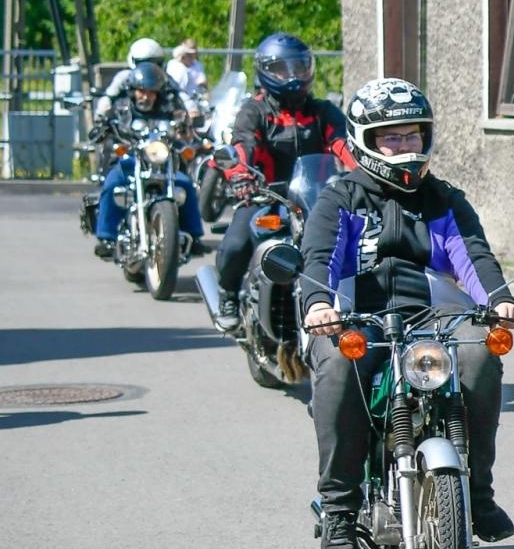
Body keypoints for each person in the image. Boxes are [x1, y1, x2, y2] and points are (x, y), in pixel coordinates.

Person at [297, 77, 514, 549]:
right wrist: (319, 305)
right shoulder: (340, 198)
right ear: (365, 139)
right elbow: (318, 259)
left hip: (434, 317)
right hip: (355, 317)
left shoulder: (444, 198)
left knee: (482, 354)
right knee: (339, 369)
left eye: (412, 135)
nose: (405, 146)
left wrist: (500, 300)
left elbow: (474, 256)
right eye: (391, 137)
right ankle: (340, 508)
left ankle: (478, 493)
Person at [214, 32, 355, 330]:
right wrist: (241, 175)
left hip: (317, 197)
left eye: (299, 67)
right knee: (235, 245)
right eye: (282, 69)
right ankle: (228, 295)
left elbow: (345, 144)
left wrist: (365, 173)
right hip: (266, 195)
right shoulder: (255, 111)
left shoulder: (322, 111)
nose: (293, 76)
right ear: (265, 71)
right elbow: (242, 145)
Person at [90, 61, 207, 258]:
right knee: (113, 184)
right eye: (141, 91)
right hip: (131, 161)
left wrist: (186, 126)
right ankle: (106, 238)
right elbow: (105, 122)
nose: (146, 96)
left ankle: (194, 237)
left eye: (151, 92)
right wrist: (105, 126)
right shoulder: (123, 109)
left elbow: (183, 128)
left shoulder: (168, 110)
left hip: (161, 163)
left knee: (186, 184)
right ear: (133, 91)